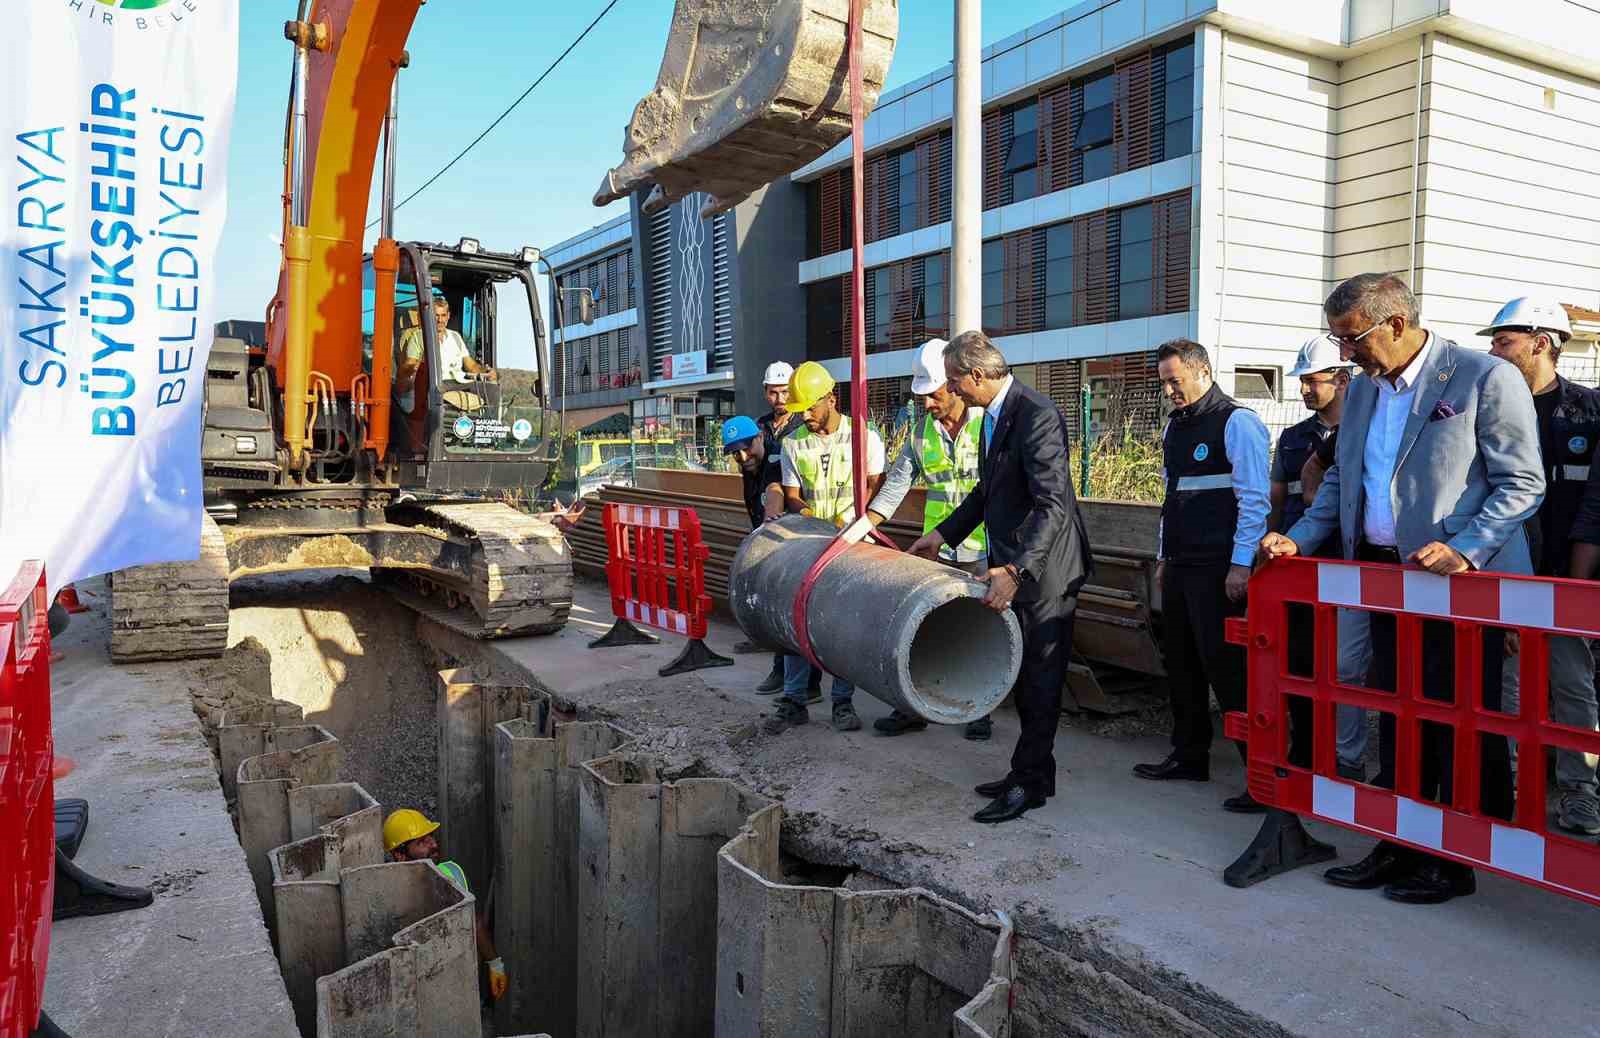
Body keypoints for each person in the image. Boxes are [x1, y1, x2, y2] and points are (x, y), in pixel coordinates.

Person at [1262, 272, 1543, 905]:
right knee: (1398, 715)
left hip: (1459, 586)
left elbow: (1522, 483)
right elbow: (1341, 483)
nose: (1345, 354)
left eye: (1352, 338)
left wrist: (1466, 548)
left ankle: (1451, 859)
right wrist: (1300, 538)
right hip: (1386, 580)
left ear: (1395, 323)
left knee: (1452, 721)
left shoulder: (1481, 377)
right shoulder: (1363, 393)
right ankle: (1398, 841)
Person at [908, 331, 1093, 824]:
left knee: (1039, 680)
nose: (952, 391)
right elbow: (986, 492)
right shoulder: (994, 417)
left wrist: (1014, 569)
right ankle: (1032, 773)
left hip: (1046, 573)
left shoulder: (1036, 415)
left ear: (976, 375)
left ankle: (1028, 783)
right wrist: (942, 535)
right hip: (1021, 567)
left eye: (954, 381)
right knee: (1028, 678)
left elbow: (1054, 505)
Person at [1132, 340, 1270, 815]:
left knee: (1228, 670)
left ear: (1203, 371)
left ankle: (1260, 774)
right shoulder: (1176, 426)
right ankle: (1190, 755)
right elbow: (1171, 498)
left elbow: (1255, 500)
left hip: (1219, 569)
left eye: (1175, 380)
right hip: (1183, 564)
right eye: (1164, 381)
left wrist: (1241, 563)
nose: (1169, 389)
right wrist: (1163, 556)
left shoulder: (1238, 422)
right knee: (1184, 666)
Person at [1482, 297, 1600, 836]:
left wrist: (1572, 595)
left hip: (1568, 581)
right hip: (1508, 578)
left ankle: (1579, 793)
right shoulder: (1490, 406)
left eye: (1504, 341)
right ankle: (1507, 788)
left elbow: (1594, 508)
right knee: (1509, 689)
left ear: (1542, 342)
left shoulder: (1588, 411)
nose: (1493, 350)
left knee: (1574, 690)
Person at [866, 338, 993, 742]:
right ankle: (912, 706)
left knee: (980, 629)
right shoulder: (921, 433)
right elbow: (896, 485)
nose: (927, 404)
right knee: (922, 626)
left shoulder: (989, 424)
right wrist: (864, 524)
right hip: (937, 550)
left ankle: (980, 706)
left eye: (933, 395)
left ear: (953, 387)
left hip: (984, 551)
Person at [767, 361, 887, 736]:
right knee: (796, 618)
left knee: (842, 627)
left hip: (852, 547)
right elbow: (791, 495)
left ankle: (842, 702)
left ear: (831, 399)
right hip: (809, 545)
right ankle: (794, 699)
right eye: (802, 413)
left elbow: (875, 485)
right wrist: (811, 518)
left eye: (812, 411)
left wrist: (852, 520)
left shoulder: (864, 437)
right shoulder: (793, 442)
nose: (808, 419)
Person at [1270, 338, 1370, 783]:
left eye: (1313, 381)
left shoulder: (1366, 433)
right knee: (1300, 664)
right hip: (1300, 566)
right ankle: (1306, 754)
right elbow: (1277, 502)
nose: (1305, 391)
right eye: (1302, 383)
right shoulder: (1293, 440)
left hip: (1348, 566)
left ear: (1343, 379)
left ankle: (1344, 761)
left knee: (1346, 670)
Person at [383, 808, 507, 1001]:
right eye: (422, 842)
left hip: (453, 981)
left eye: (431, 837)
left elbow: (475, 922)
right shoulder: (386, 889)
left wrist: (495, 964)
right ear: (400, 854)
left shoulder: (452, 872)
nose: (433, 844)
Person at [751, 361, 820, 698]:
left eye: (784, 392)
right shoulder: (760, 426)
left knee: (801, 604)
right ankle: (781, 671)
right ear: (765, 392)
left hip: (799, 521)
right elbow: (753, 472)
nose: (779, 398)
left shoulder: (800, 422)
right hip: (764, 516)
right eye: (773, 392)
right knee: (775, 599)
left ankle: (809, 683)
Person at [396, 297, 496, 414]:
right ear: (429, 316)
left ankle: (488, 427)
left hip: (458, 381)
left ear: (448, 316)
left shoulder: (456, 337)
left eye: (443, 315)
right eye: (436, 315)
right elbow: (409, 364)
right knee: (433, 396)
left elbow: (471, 366)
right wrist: (420, 363)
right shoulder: (417, 337)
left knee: (492, 390)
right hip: (435, 383)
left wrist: (486, 371)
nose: (440, 320)